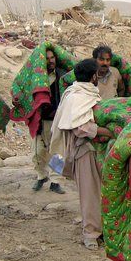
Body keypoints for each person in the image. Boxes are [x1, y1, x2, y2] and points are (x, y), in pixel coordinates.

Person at [50, 59, 113, 248]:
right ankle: (90, 234)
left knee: (101, 192)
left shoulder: (85, 93)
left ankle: (101, 230)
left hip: (95, 151)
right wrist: (108, 132)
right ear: (93, 76)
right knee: (89, 194)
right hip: (83, 151)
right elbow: (80, 128)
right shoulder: (76, 96)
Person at [31, 49, 67, 194]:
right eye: (47, 58)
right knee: (38, 152)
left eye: (53, 57)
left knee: (57, 152)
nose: (51, 60)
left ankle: (55, 181)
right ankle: (41, 176)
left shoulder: (61, 75)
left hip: (57, 120)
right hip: (40, 120)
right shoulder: (36, 78)